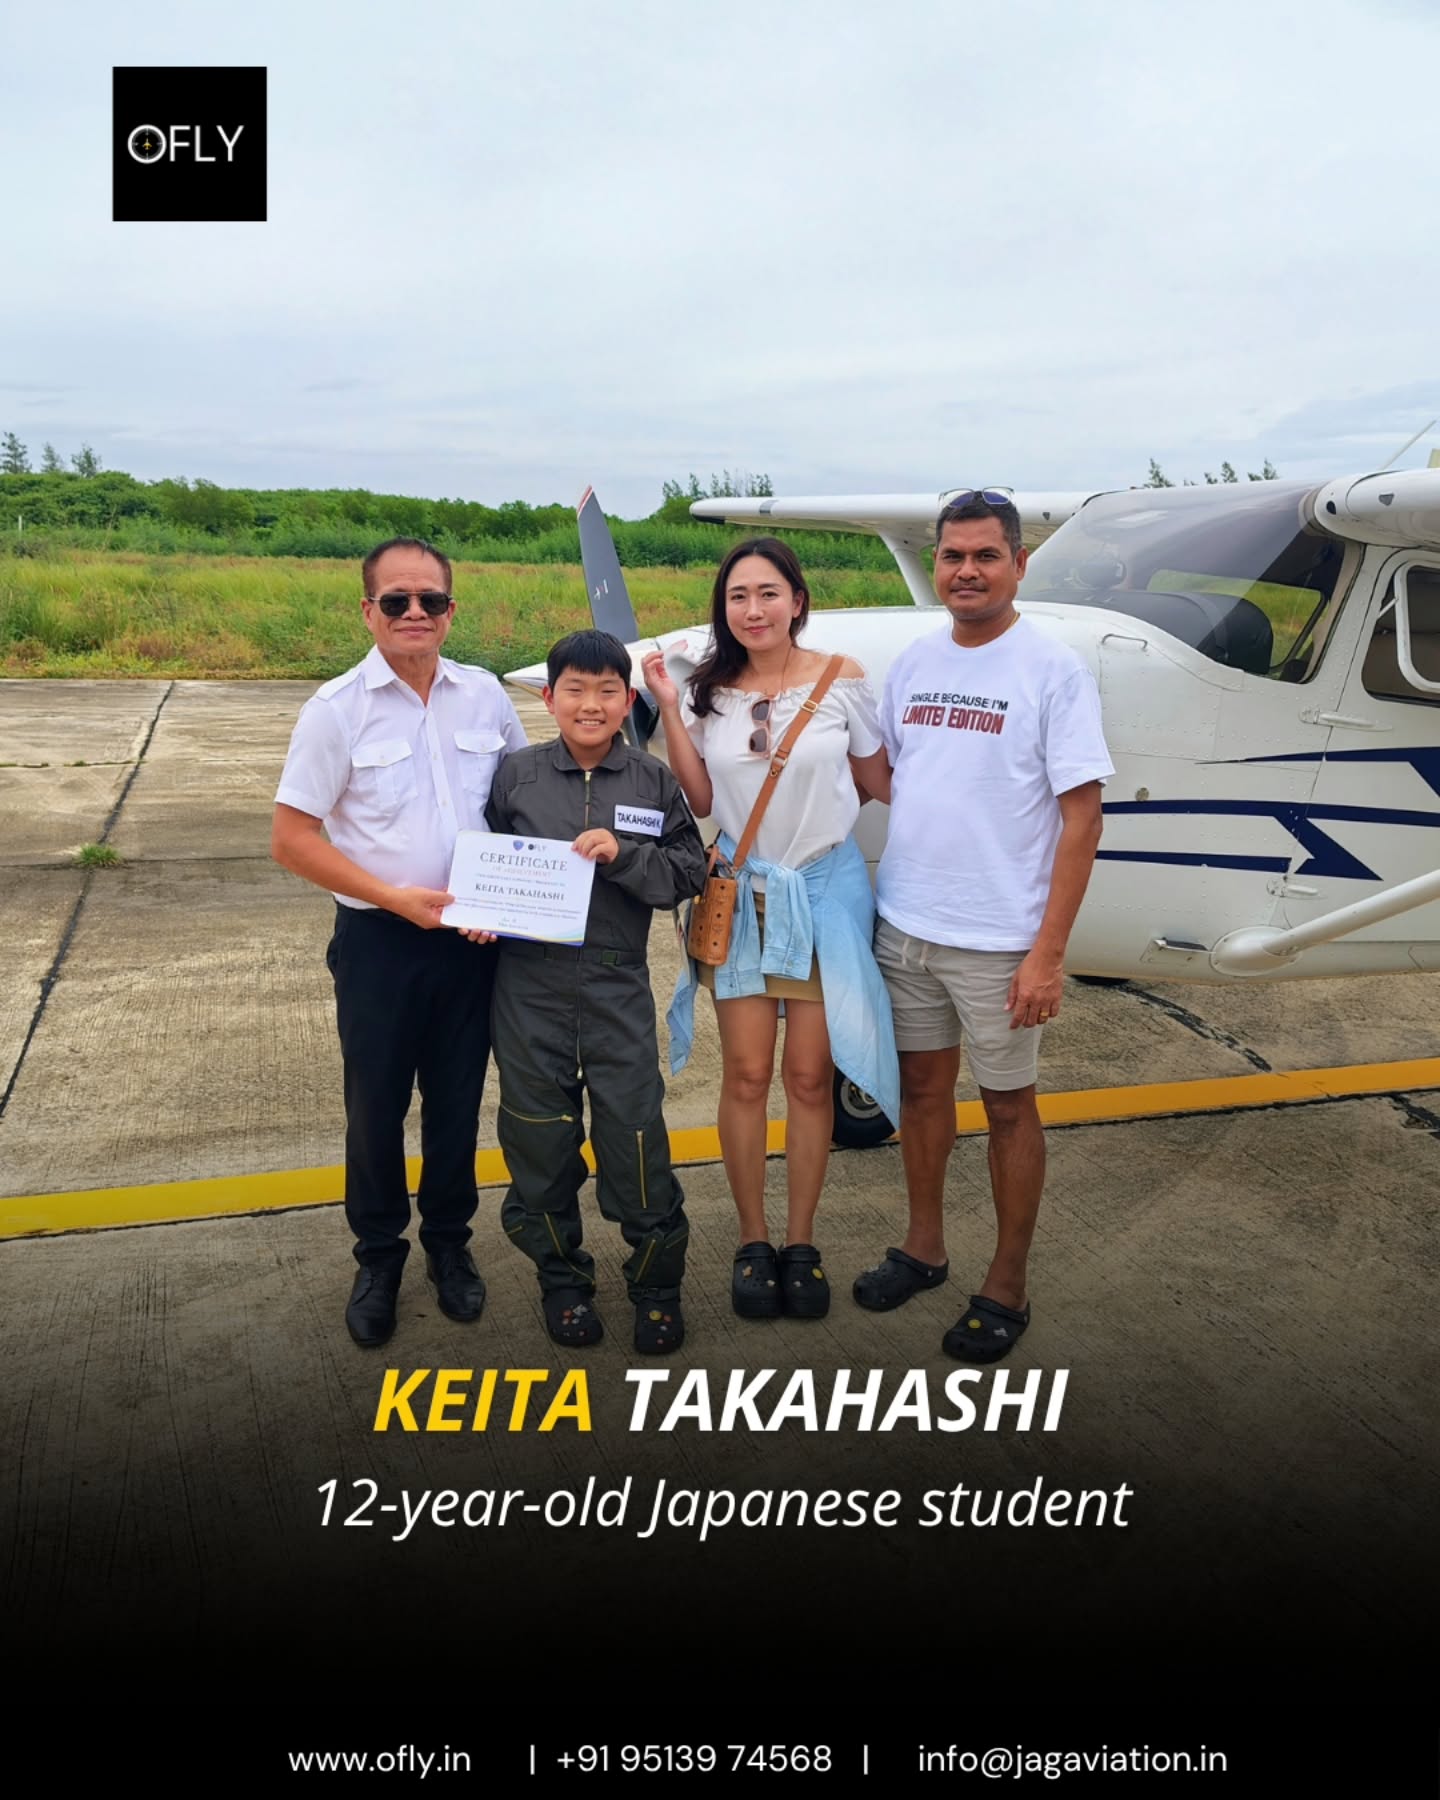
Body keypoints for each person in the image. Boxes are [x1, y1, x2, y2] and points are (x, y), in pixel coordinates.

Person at [853, 490, 1113, 1361]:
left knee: (1008, 1109)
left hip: (999, 940)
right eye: (953, 556)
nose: (966, 570)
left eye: (985, 556)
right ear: (938, 564)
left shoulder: (1052, 670)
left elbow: (1083, 818)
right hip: (907, 924)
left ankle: (1007, 1281)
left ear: (1018, 564)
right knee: (922, 1097)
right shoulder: (917, 662)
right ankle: (924, 1248)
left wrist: (1047, 954)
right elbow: (889, 777)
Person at [271, 535, 526, 1349]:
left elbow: (521, 806)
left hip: (473, 940)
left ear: (451, 610)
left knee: (456, 1106)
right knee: (375, 1109)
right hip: (381, 940)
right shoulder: (335, 711)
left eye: (432, 601)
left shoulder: (485, 696)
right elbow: (292, 837)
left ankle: (450, 1248)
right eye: (396, 601)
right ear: (368, 610)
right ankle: (378, 1257)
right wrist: (393, 898)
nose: (415, 614)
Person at [647, 536, 899, 1322]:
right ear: (722, 609)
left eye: (767, 593)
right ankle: (754, 1241)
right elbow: (697, 796)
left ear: (797, 599)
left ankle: (801, 1241)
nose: (752, 609)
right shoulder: (707, 692)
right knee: (749, 1077)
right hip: (743, 894)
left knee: (810, 1079)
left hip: (825, 888)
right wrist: (664, 701)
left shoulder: (843, 680)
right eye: (736, 596)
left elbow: (883, 784)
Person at [481, 629, 706, 1355]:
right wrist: (481, 914)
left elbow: (688, 870)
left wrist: (624, 855)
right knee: (539, 1138)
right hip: (528, 985)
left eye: (608, 690)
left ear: (628, 700)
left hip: (616, 984)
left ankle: (656, 1284)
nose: (591, 703)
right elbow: (484, 860)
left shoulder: (651, 781)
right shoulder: (516, 776)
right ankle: (562, 1279)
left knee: (635, 1135)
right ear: (548, 699)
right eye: (574, 689)